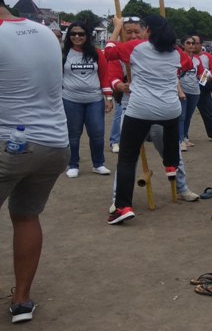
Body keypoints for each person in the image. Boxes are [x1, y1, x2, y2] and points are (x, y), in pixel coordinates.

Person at [0, 0, 70, 323]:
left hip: (10, 143)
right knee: (26, 216)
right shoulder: (46, 33)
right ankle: (22, 301)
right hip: (54, 143)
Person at [104, 15, 192, 224]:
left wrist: (116, 28)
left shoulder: (136, 47)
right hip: (170, 108)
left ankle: (123, 206)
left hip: (141, 109)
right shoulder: (176, 51)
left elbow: (108, 52)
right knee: (171, 131)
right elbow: (187, 65)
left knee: (127, 158)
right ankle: (170, 166)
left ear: (148, 31)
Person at [61, 21, 114, 178]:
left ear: (87, 36)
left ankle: (98, 164)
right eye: (73, 33)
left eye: (81, 34)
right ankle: (73, 164)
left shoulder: (96, 53)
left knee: (97, 134)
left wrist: (108, 97)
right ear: (69, 36)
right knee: (73, 135)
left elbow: (104, 76)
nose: (77, 36)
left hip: (94, 100)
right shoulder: (63, 54)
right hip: (70, 100)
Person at [108, 16, 143, 153]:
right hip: (128, 98)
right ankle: (116, 140)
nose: (133, 36)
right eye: (128, 32)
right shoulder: (118, 50)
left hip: (150, 98)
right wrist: (119, 85)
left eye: (137, 32)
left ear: (144, 32)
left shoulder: (151, 49)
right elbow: (112, 75)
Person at [193, 35, 212, 142]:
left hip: (203, 88)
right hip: (187, 88)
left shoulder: (207, 56)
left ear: (201, 44)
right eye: (191, 43)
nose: (193, 45)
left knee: (208, 113)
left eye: (196, 43)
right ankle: (183, 136)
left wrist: (204, 77)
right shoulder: (186, 56)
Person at [178, 36, 201, 150]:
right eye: (188, 43)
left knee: (188, 116)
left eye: (193, 43)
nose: (191, 45)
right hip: (183, 90)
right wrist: (179, 91)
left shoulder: (197, 59)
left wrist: (205, 77)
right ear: (183, 45)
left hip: (195, 91)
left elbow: (200, 73)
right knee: (181, 116)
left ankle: (185, 137)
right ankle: (180, 140)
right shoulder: (178, 57)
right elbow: (175, 74)